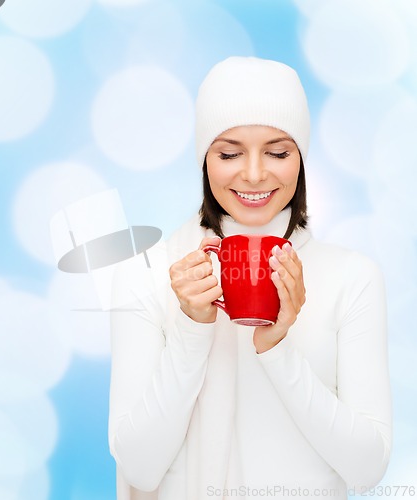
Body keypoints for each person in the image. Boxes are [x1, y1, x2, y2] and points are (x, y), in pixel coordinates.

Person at [108, 56, 392, 500]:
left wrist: (278, 349)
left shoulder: (351, 278)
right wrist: (192, 328)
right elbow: (140, 468)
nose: (255, 174)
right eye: (229, 153)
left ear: (302, 159)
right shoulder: (147, 275)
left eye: (278, 152)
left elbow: (367, 467)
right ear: (204, 160)